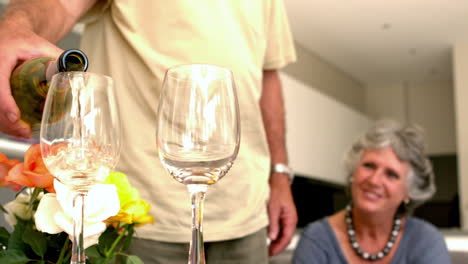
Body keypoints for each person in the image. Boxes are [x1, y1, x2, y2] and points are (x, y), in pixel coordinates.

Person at [0, 0, 298, 263]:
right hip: (138, 215)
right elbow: (59, 5)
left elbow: (268, 75)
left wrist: (280, 173)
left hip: (248, 211)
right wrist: (15, 28)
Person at [293, 120, 451, 264]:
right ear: (353, 172)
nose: (374, 180)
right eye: (369, 166)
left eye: (391, 174)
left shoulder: (426, 241)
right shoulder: (316, 240)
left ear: (408, 192)